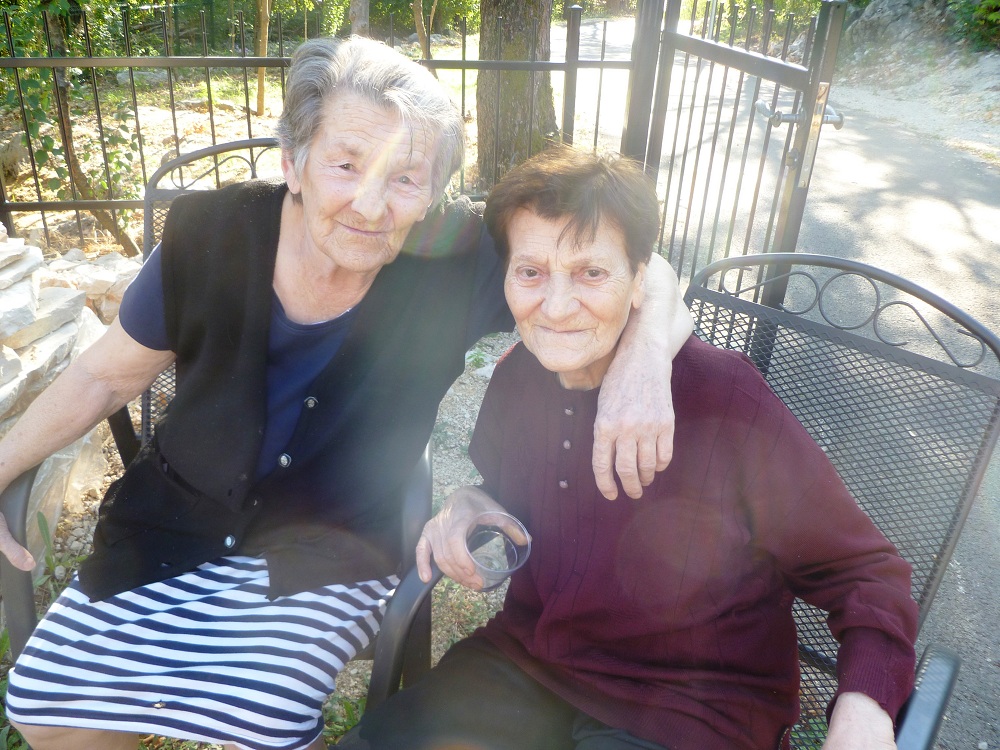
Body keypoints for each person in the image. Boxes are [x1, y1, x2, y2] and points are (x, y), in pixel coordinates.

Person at [0, 38, 693, 750]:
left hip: (328, 546)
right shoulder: (211, 233)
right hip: (170, 526)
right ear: (293, 162)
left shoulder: (454, 255)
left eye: (406, 177)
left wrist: (641, 365)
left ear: (433, 192)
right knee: (43, 708)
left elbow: (646, 268)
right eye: (346, 165)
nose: (370, 204)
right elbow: (103, 375)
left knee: (260, 716)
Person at [338, 147, 920, 750]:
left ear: (641, 279)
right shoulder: (518, 377)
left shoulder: (724, 398)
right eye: (531, 272)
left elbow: (864, 573)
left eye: (591, 273)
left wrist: (866, 712)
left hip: (694, 707)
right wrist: (468, 502)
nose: (555, 307)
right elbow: (511, 492)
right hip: (532, 664)